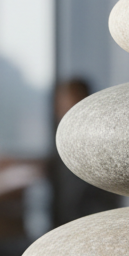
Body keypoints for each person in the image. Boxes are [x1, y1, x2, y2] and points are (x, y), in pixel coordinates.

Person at [50, 77, 120, 226]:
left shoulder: (95, 140)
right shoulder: (64, 138)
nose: (62, 108)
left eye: (68, 101)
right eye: (60, 103)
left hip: (91, 222)